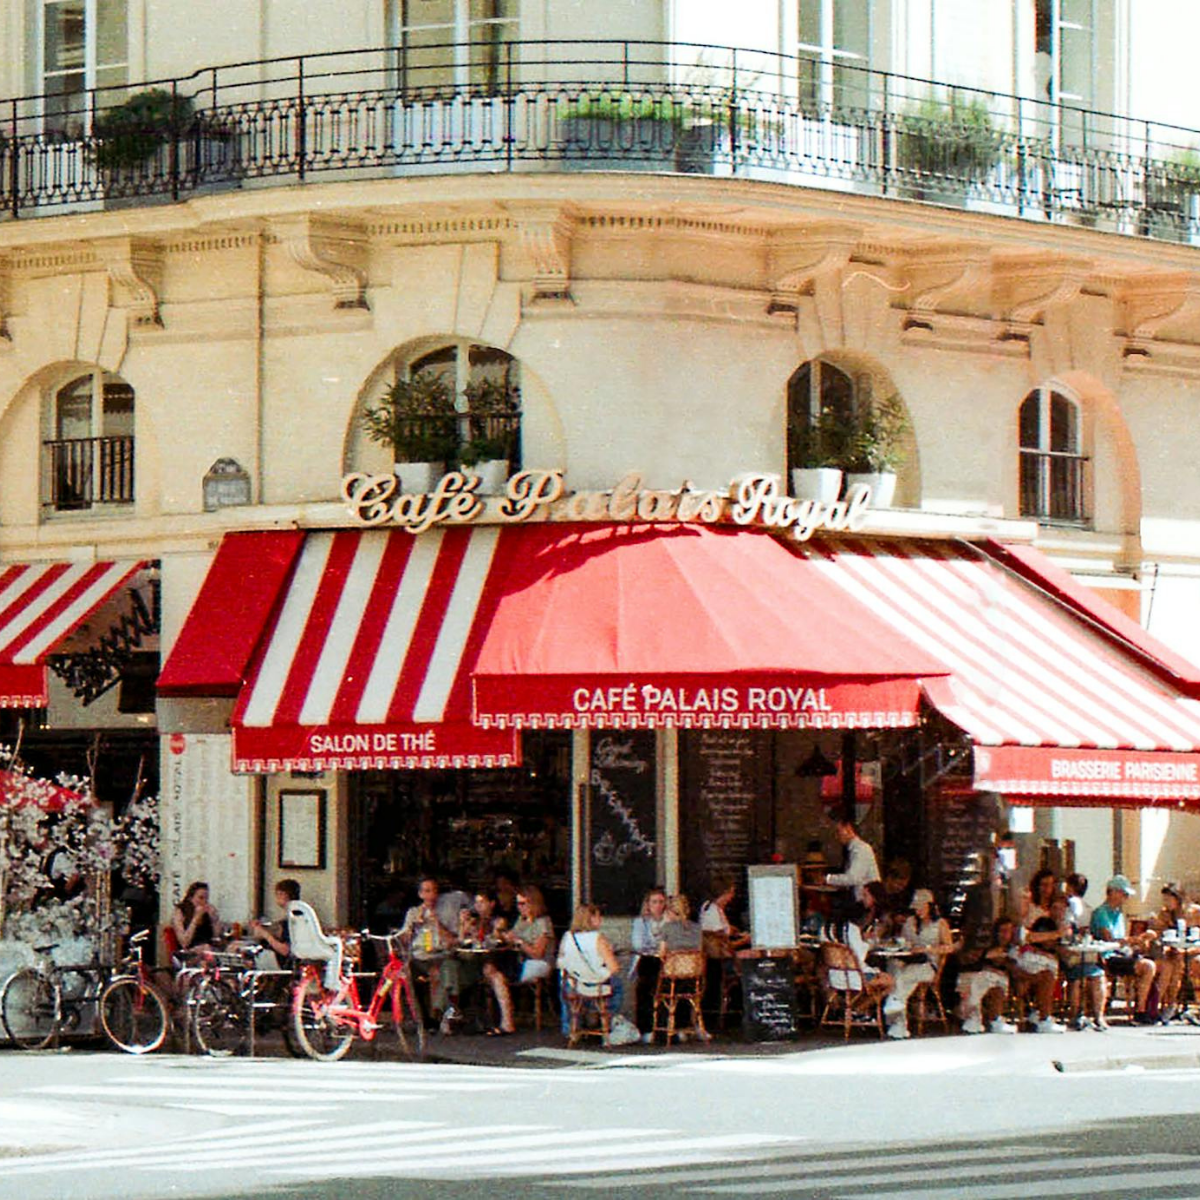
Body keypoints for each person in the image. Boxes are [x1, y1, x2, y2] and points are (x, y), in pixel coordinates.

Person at [482, 884, 555, 1036]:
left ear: (533, 903)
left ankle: (506, 1021)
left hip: (538, 963)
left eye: (523, 903)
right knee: (491, 970)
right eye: (518, 903)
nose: (519, 907)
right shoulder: (521, 921)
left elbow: (538, 953)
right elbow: (509, 940)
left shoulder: (543, 922)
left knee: (497, 973)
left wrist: (519, 941)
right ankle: (503, 1019)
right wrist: (500, 934)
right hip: (519, 960)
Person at [884, 888, 956, 1040]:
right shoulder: (910, 922)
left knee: (905, 976)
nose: (918, 911)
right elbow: (904, 941)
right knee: (894, 968)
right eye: (916, 908)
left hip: (929, 964)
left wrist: (928, 948)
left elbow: (949, 947)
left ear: (929, 906)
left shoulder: (940, 924)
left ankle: (896, 1017)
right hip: (910, 960)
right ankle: (898, 1016)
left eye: (921, 907)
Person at [820, 881, 895, 1014]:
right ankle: (858, 1010)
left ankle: (850, 1010)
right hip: (855, 976)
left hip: (834, 976)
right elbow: (859, 955)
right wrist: (866, 942)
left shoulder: (825, 929)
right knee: (890, 982)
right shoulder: (852, 929)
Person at [1091, 874, 1157, 1024]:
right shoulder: (1102, 913)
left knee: (1155, 964)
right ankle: (1140, 1010)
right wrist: (1134, 939)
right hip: (1108, 955)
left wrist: (1138, 942)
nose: (1126, 898)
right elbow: (1109, 939)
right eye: (1124, 894)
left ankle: (1147, 1007)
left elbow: (1122, 940)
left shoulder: (1119, 914)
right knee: (1148, 966)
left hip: (1121, 953)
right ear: (1113, 892)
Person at [399, 875, 461, 1031]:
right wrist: (413, 926)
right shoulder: (413, 912)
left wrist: (437, 922)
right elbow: (404, 940)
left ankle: (437, 1015)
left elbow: (453, 940)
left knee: (438, 972)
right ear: (420, 894)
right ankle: (422, 1018)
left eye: (433, 891)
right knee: (410, 975)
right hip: (419, 955)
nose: (430, 896)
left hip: (439, 954)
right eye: (426, 891)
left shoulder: (446, 912)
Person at [557, 903, 623, 1038]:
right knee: (617, 985)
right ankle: (603, 1019)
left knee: (563, 982)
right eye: (598, 916)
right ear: (591, 918)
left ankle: (570, 1027)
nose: (601, 920)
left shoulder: (567, 937)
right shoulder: (598, 938)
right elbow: (614, 968)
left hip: (574, 985)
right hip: (596, 984)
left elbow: (561, 962)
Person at [1014, 868, 1065, 1033]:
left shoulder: (1052, 909)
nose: (1047, 889)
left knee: (1055, 966)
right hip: (1027, 950)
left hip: (1047, 951)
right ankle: (1044, 1016)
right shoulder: (1029, 906)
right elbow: (1025, 936)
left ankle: (1040, 1011)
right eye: (1043, 885)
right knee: (1048, 970)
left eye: (1050, 885)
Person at [956, 916, 1019, 1035]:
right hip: (982, 979)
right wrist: (987, 956)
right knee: (974, 979)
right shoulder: (988, 946)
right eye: (1001, 931)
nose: (1004, 935)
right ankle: (974, 1017)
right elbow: (969, 958)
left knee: (985, 980)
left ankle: (974, 1017)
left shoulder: (1012, 949)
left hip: (1001, 980)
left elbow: (1013, 968)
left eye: (1008, 931)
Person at [631, 888, 670, 1035]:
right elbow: (638, 945)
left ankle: (668, 1026)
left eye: (661, 902)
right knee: (646, 988)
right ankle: (646, 1028)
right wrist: (658, 944)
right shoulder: (641, 922)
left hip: (668, 961)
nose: (658, 906)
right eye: (654, 902)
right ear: (648, 904)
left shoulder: (669, 921)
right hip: (648, 960)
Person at [1149, 884, 1188, 1022]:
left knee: (1177, 962)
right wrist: (1157, 925)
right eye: (1164, 899)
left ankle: (1171, 1004)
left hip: (1191, 949)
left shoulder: (1191, 912)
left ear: (1178, 899)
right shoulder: (1164, 914)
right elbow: (1160, 936)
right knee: (1168, 966)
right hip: (1172, 951)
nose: (1166, 903)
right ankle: (1164, 1004)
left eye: (1168, 899)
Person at [825, 818, 882, 908]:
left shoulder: (861, 849)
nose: (837, 836)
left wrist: (828, 879)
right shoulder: (854, 850)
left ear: (848, 828)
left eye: (838, 831)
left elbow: (853, 878)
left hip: (866, 902)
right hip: (861, 900)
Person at [248, 879, 300, 969]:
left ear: (284, 895)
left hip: (286, 965)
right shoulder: (290, 917)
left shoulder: (293, 920)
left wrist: (266, 935)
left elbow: (285, 950)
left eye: (278, 894)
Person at [172, 880, 222, 952]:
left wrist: (214, 919)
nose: (204, 902)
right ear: (190, 898)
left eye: (206, 899)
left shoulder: (207, 913)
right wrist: (195, 918)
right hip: (188, 952)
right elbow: (184, 943)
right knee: (206, 949)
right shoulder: (180, 912)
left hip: (208, 950)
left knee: (235, 946)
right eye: (200, 898)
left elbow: (217, 938)